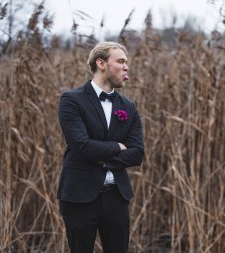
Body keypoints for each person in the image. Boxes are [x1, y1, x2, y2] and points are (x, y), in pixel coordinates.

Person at [57, 41, 144, 253]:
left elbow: (137, 154)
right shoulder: (71, 100)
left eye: (127, 63)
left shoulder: (128, 107)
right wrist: (117, 146)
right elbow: (81, 146)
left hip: (117, 197)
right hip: (79, 195)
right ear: (101, 63)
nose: (126, 67)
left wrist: (101, 154)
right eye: (121, 61)